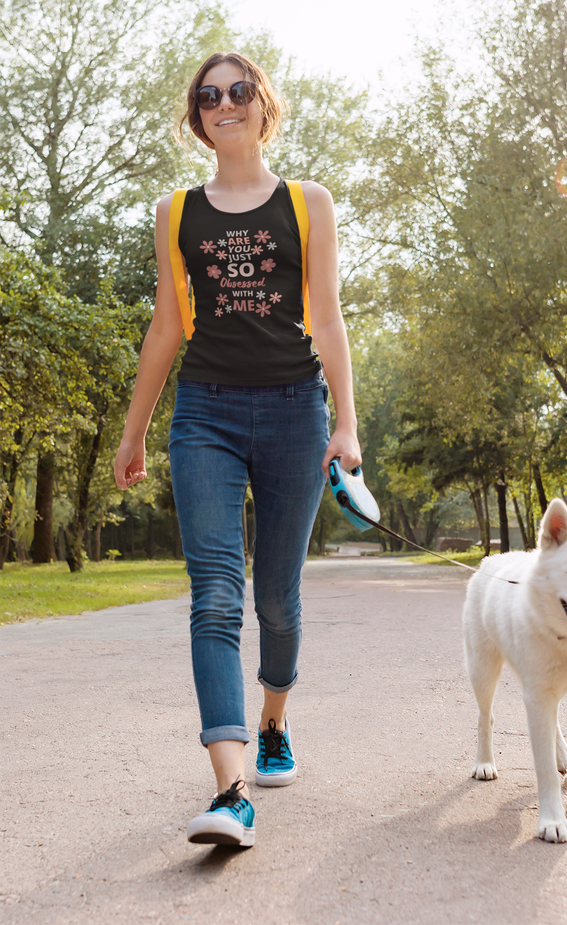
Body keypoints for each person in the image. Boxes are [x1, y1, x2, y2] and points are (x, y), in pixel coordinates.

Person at [114, 51, 361, 848]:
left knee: (277, 600)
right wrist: (135, 428)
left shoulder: (306, 202)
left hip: (295, 412)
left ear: (263, 105)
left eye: (238, 90)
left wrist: (345, 424)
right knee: (215, 591)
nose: (225, 103)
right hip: (206, 414)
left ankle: (275, 722)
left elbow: (326, 320)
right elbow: (167, 327)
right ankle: (230, 790)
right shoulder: (176, 211)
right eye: (208, 96)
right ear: (198, 117)